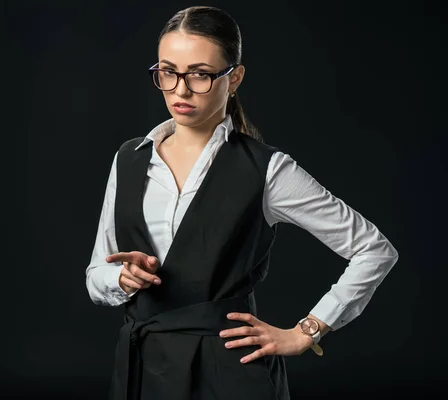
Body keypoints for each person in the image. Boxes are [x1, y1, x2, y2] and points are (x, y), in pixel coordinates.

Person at [85, 5, 399, 400]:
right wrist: (121, 279)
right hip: (143, 367)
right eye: (168, 72)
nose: (181, 90)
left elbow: (374, 250)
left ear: (234, 78)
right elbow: (97, 276)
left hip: (230, 371)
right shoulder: (128, 158)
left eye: (199, 74)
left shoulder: (268, 169)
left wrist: (309, 330)